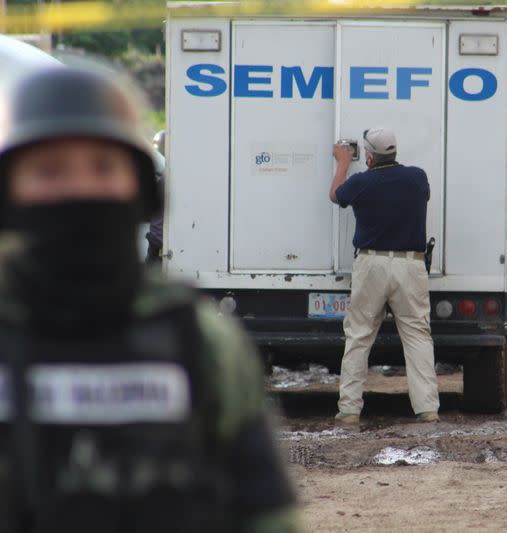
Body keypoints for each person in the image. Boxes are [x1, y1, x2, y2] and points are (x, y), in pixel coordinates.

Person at [0, 67, 299, 532]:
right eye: (49, 170)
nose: (80, 190)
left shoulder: (200, 339)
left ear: (142, 191)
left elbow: (266, 513)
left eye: (103, 167)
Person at [329, 127, 440, 427]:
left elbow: (335, 195)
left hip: (371, 264)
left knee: (359, 336)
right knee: (417, 336)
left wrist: (342, 162)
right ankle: (427, 408)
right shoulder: (417, 178)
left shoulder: (361, 182)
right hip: (411, 265)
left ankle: (350, 410)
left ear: (368, 156)